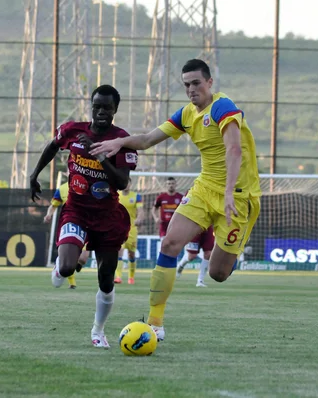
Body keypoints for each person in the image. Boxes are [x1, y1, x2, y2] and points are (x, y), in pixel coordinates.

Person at [89, 59, 261, 342]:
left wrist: (229, 191)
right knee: (169, 244)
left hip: (239, 197)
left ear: (209, 83)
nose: (191, 89)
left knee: (218, 273)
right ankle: (155, 322)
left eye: (196, 83)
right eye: (186, 85)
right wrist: (120, 142)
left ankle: (233, 251)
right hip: (205, 189)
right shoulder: (186, 115)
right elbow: (146, 140)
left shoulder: (223, 107)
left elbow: (234, 149)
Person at [30, 84, 138, 349]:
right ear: (91, 106)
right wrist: (35, 174)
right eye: (97, 106)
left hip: (108, 217)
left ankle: (98, 330)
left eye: (107, 108)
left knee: (106, 278)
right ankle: (60, 266)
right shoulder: (73, 131)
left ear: (115, 110)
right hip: (76, 211)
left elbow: (123, 183)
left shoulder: (122, 140)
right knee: (66, 269)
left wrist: (101, 156)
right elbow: (53, 145)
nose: (101, 112)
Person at [44, 182, 92, 289]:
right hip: (70, 223)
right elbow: (53, 205)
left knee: (83, 259)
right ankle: (70, 280)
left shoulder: (89, 184)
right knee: (72, 255)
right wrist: (49, 214)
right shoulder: (62, 189)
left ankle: (62, 262)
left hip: (86, 225)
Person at [115, 177, 144, 285]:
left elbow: (140, 210)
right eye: (124, 182)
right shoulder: (116, 196)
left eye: (128, 183)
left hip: (132, 229)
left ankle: (131, 277)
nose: (126, 185)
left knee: (131, 254)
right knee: (119, 252)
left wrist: (139, 218)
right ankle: (118, 277)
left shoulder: (136, 196)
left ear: (131, 184)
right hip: (119, 228)